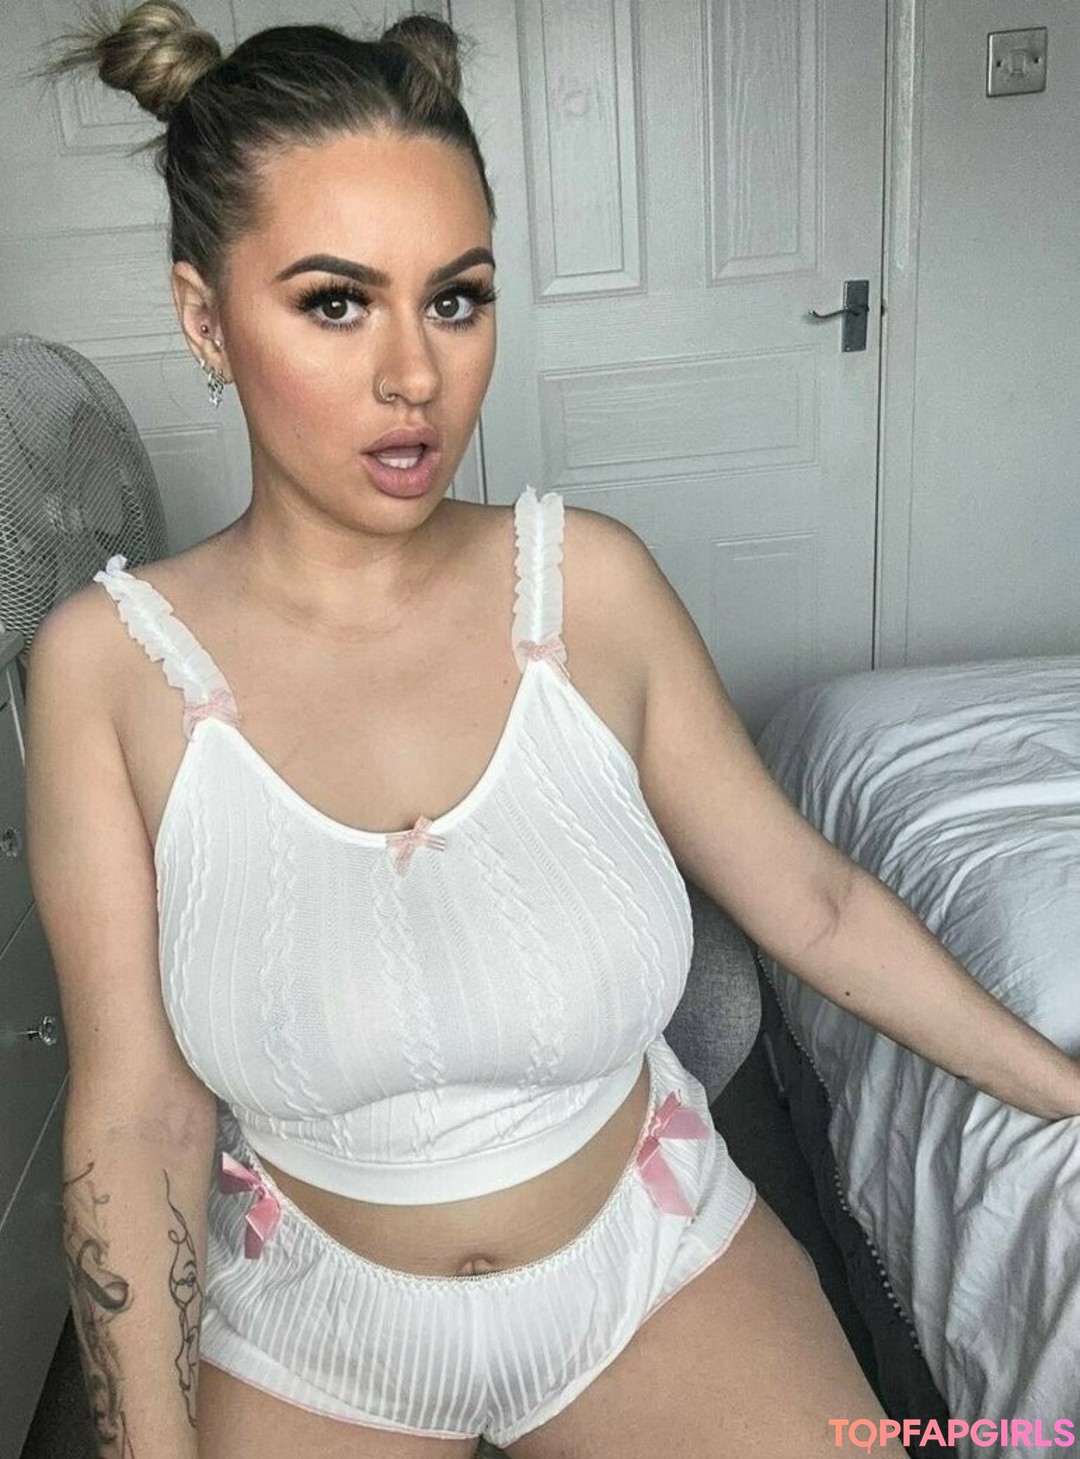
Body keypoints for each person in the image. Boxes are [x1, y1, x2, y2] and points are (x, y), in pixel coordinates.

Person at [23, 6, 1080, 1457]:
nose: (415, 375)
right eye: (336, 304)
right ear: (206, 319)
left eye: (456, 299)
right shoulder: (107, 670)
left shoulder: (590, 587)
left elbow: (815, 902)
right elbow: (136, 1111)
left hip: (651, 1266)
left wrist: (1065, 1091)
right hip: (314, 1321)